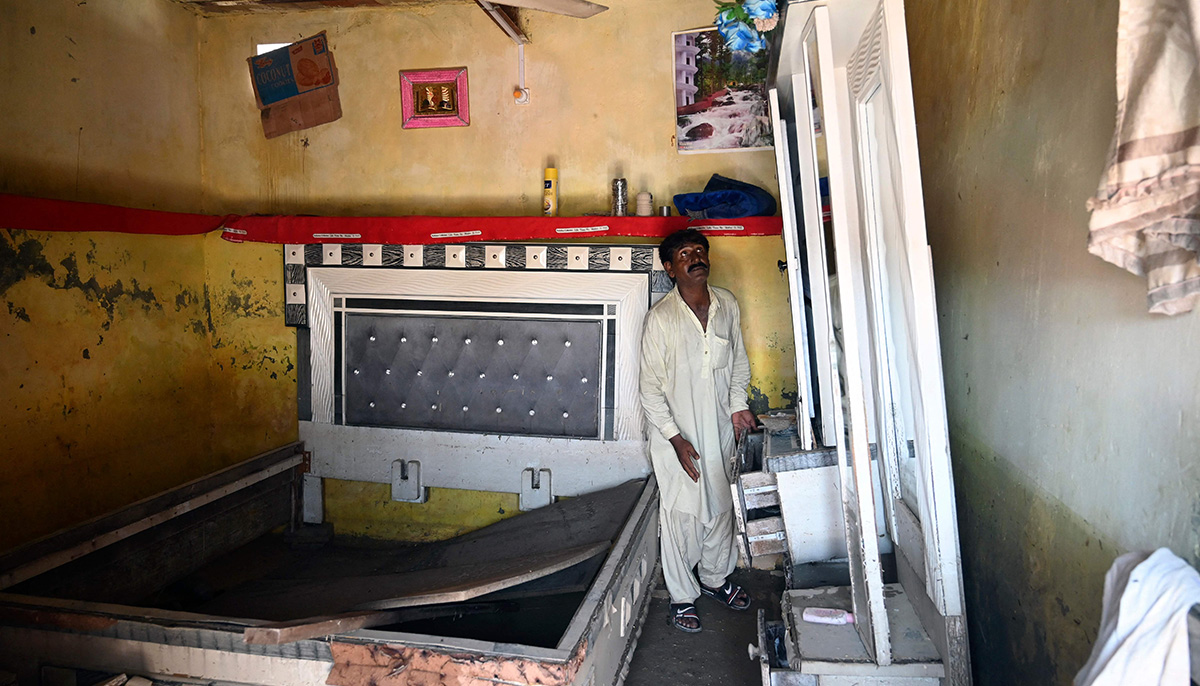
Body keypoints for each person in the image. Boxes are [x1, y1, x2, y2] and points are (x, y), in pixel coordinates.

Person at [639, 228, 756, 633]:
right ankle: (682, 596)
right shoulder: (661, 319)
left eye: (700, 251)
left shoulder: (727, 305)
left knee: (721, 507)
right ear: (670, 268)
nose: (695, 257)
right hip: (677, 440)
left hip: (720, 430)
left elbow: (738, 363)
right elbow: (649, 389)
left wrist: (738, 407)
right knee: (679, 515)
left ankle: (714, 579)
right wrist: (674, 437)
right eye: (685, 253)